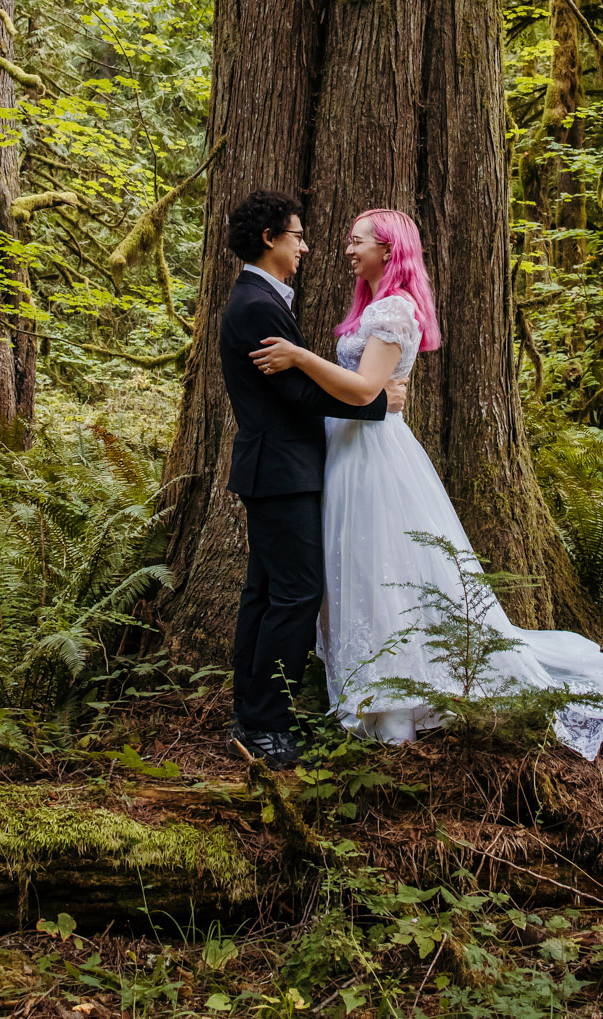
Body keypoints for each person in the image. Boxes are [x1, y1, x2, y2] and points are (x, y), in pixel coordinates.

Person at [251, 209, 603, 759]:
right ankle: (375, 693)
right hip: (347, 451)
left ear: (389, 250)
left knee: (383, 570)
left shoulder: (394, 309)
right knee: (359, 568)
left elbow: (365, 390)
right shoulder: (373, 308)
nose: (348, 251)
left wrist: (300, 358)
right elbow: (366, 389)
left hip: (373, 455)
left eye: (358, 242)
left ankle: (396, 707)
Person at [215, 188, 399, 769]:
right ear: (270, 239)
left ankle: (252, 711)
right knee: (294, 595)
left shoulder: (263, 298)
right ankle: (267, 725)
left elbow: (295, 381)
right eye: (297, 236)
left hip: (276, 466)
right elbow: (295, 393)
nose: (306, 246)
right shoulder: (256, 305)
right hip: (281, 469)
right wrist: (378, 403)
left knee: (266, 593)